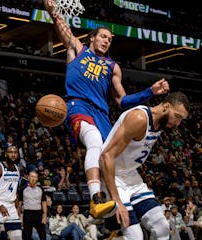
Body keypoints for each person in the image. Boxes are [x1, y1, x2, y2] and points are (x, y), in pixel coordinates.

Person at [43, 0, 170, 220]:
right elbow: (60, 24)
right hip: (77, 105)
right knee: (93, 140)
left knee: (107, 157)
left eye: (110, 39)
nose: (107, 41)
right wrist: (52, 9)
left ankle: (116, 209)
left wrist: (150, 91)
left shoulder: (113, 67)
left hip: (101, 115)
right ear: (91, 37)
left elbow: (122, 101)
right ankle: (97, 199)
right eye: (103, 36)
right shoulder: (77, 49)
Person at [100, 92, 189, 239]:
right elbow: (106, 156)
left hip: (131, 176)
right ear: (166, 107)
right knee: (135, 236)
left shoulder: (161, 123)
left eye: (181, 120)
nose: (177, 123)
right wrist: (116, 199)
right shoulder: (139, 118)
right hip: (111, 175)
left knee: (162, 227)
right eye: (177, 117)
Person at [18, 170, 47, 240]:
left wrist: (45, 215)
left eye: (35, 177)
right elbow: (19, 204)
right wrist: (19, 216)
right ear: (28, 177)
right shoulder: (23, 188)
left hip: (38, 214)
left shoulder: (41, 188)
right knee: (27, 236)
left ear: (37, 178)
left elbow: (44, 202)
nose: (33, 178)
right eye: (32, 176)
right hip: (27, 214)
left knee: (43, 235)